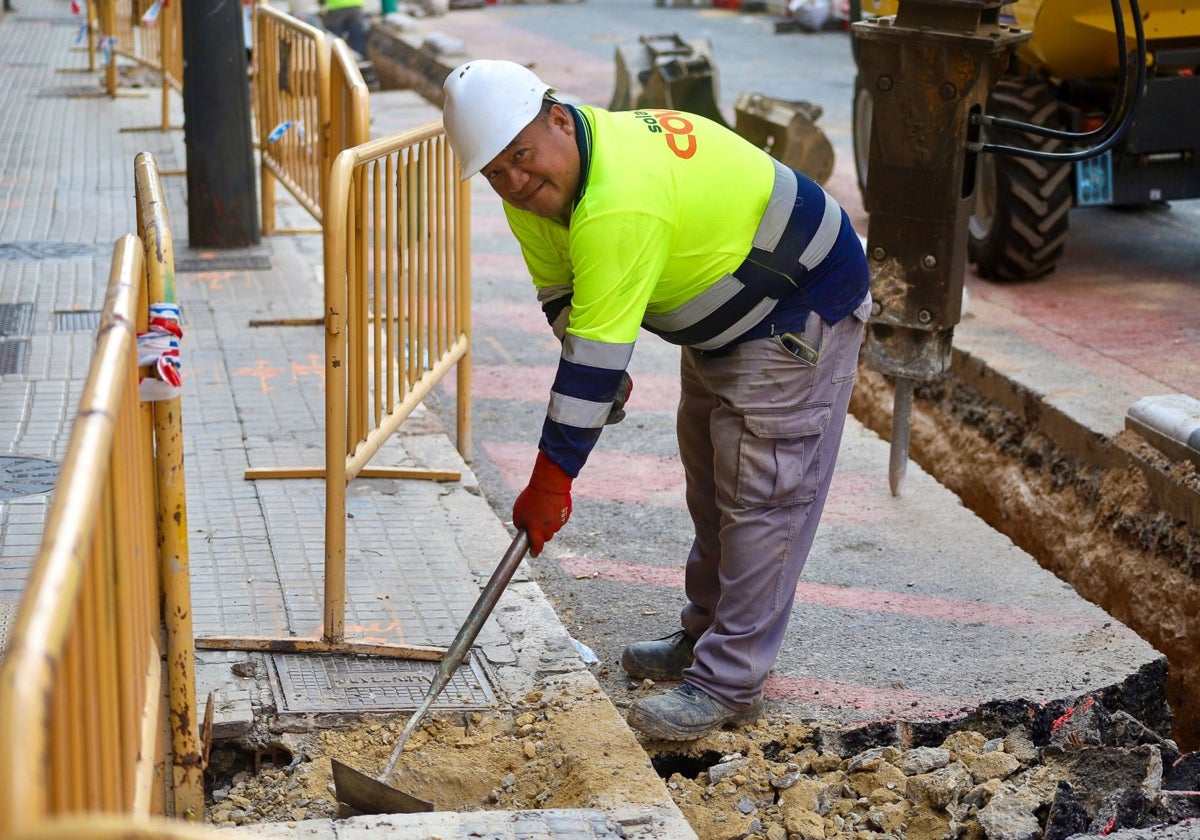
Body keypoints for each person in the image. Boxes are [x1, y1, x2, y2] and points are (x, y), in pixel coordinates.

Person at [442, 59, 872, 741]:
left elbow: (594, 358)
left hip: (797, 302)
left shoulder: (619, 198)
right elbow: (565, 296)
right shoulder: (534, 191)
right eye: (495, 171)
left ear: (558, 118)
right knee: (713, 483)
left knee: (762, 497)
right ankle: (705, 637)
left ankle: (728, 682)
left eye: (522, 157)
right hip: (726, 311)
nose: (516, 182)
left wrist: (552, 479)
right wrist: (597, 373)